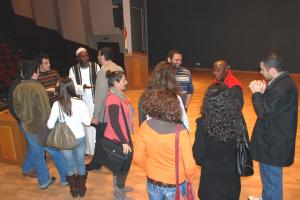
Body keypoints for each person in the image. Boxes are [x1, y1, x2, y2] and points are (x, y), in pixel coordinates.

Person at [248, 53, 298, 200]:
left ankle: (271, 196)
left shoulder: (281, 87)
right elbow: (273, 108)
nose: (261, 72)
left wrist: (257, 94)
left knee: (272, 177)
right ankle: (266, 196)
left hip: (274, 143)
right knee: (268, 174)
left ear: (272, 71)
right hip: (273, 138)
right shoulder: (283, 82)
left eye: (262, 70)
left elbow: (263, 112)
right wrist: (264, 93)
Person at [13, 60, 67, 189]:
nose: (38, 72)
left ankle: (43, 181)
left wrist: (26, 121)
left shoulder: (18, 88)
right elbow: (45, 111)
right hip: (42, 129)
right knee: (56, 153)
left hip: (28, 128)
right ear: (34, 73)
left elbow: (16, 110)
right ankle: (65, 179)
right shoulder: (37, 87)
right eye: (37, 70)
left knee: (38, 155)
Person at [135, 89, 196, 200]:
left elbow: (138, 157)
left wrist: (150, 168)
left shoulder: (144, 126)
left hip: (152, 181)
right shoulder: (181, 131)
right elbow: (190, 165)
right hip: (175, 185)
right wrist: (190, 178)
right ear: (175, 108)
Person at [193, 84, 245, 200]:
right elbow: (243, 147)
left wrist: (208, 163)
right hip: (232, 178)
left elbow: (198, 154)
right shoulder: (238, 121)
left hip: (210, 178)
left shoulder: (202, 124)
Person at [48, 77, 91, 198]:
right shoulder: (80, 103)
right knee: (81, 164)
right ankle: (82, 189)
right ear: (72, 87)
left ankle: (73, 190)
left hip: (65, 140)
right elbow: (87, 122)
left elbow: (50, 125)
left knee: (69, 165)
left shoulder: (57, 105)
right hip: (80, 138)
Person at [87, 47, 123, 171]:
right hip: (117, 110)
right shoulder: (119, 69)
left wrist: (96, 115)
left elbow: (100, 96)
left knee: (100, 139)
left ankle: (97, 164)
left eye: (98, 55)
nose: (97, 58)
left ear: (103, 56)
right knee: (114, 138)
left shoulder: (103, 71)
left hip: (105, 113)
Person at [104, 70, 134, 200]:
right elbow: (114, 123)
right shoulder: (112, 99)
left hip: (123, 136)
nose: (126, 82)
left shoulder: (120, 95)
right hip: (117, 139)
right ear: (116, 83)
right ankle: (119, 195)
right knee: (121, 168)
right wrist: (123, 142)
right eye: (123, 80)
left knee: (121, 167)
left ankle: (119, 186)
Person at [138, 61, 190, 130]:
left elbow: (142, 123)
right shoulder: (175, 98)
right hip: (169, 137)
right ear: (171, 79)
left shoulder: (144, 97)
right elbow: (185, 124)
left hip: (149, 136)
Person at [7, 60, 36, 178]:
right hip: (24, 121)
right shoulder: (16, 85)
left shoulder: (24, 83)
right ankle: (27, 168)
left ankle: (29, 167)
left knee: (33, 145)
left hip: (30, 121)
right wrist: (21, 119)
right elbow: (11, 106)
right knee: (35, 145)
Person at [69, 47, 100, 155]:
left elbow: (100, 81)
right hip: (81, 101)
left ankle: (95, 150)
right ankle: (86, 150)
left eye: (86, 55)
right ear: (78, 58)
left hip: (94, 101)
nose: (85, 57)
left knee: (93, 126)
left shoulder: (95, 66)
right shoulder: (73, 70)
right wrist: (83, 87)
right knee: (84, 126)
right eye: (82, 56)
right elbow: (71, 86)